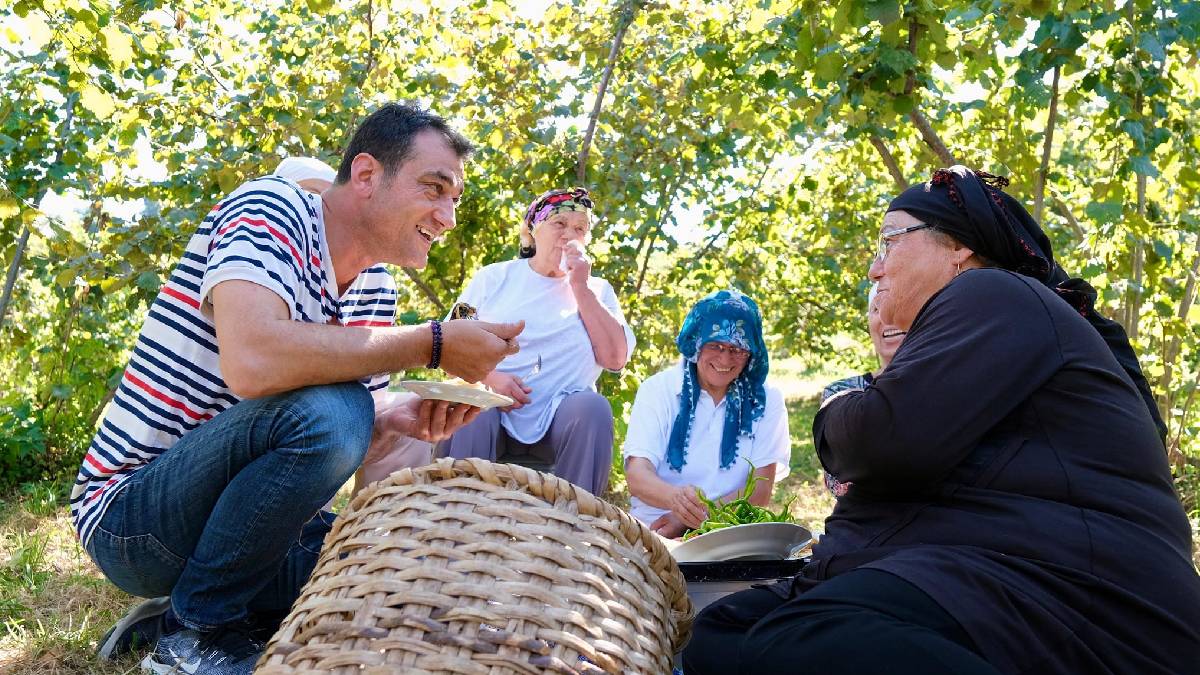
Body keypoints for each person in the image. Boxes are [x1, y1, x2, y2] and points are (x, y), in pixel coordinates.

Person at [682, 166, 1200, 675]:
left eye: (889, 243)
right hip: (991, 575)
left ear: (959, 249)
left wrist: (835, 408)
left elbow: (879, 443)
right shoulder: (975, 324)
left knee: (800, 635)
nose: (875, 270)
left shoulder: (994, 293)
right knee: (721, 633)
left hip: (1084, 598)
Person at [76, 103, 525, 674]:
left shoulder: (377, 289)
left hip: (245, 526)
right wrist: (432, 343)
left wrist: (395, 420)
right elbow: (253, 363)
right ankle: (196, 633)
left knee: (397, 574)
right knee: (337, 409)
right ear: (366, 175)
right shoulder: (272, 208)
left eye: (454, 199)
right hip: (134, 520)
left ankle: (188, 611)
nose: (448, 217)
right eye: (434, 189)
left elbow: (322, 447)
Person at [440, 187, 635, 496]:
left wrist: (580, 286)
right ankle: (456, 513)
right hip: (492, 410)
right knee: (473, 402)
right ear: (533, 229)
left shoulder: (598, 290)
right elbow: (448, 343)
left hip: (563, 417)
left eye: (580, 229)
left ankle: (575, 517)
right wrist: (490, 378)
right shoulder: (493, 278)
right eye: (560, 224)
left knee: (594, 407)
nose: (569, 235)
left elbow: (615, 358)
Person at [623, 290, 790, 539]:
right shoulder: (659, 389)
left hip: (730, 529)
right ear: (697, 343)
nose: (725, 358)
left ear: (751, 353)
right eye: (716, 345)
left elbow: (760, 492)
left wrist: (691, 520)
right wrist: (676, 502)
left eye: (737, 349)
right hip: (657, 527)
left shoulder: (767, 399)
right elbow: (637, 476)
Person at [819, 283, 903, 498]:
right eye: (876, 309)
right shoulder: (841, 393)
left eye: (896, 305)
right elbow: (840, 483)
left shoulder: (943, 387)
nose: (885, 317)